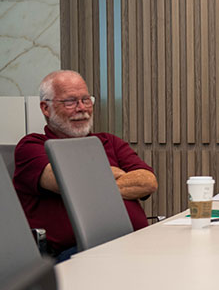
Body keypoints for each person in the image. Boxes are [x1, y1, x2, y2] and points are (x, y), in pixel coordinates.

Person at [13, 70, 158, 262]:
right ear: (45, 108)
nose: (82, 108)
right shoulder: (32, 146)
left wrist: (89, 184)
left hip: (133, 242)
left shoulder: (109, 141)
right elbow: (65, 182)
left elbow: (148, 182)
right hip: (78, 252)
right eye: (70, 101)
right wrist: (117, 175)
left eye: (86, 100)